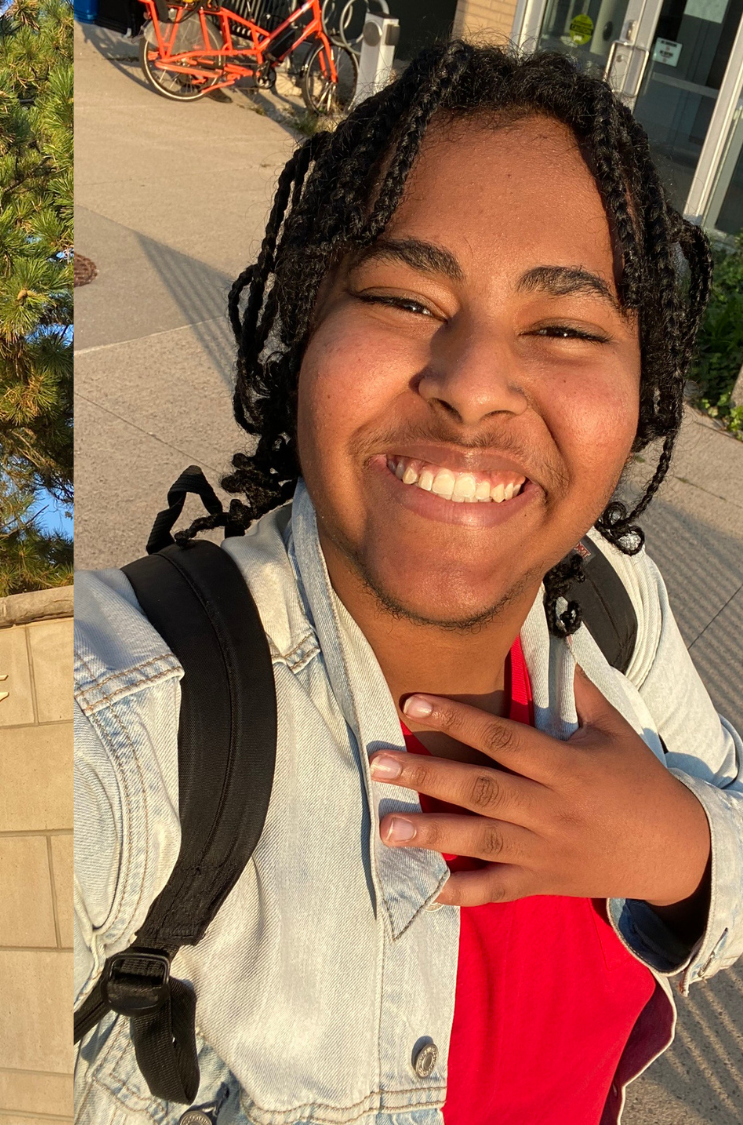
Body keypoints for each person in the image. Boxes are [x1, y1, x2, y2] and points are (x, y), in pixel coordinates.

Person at [75, 42, 742, 1123]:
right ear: (304, 334)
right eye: (401, 297)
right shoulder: (128, 730)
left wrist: (678, 850)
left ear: (641, 388)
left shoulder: (613, 601)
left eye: (564, 327)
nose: (472, 386)